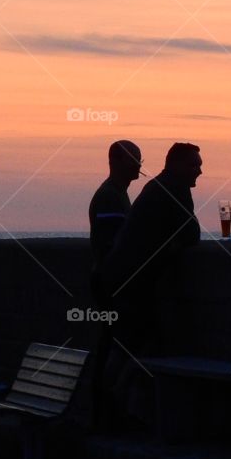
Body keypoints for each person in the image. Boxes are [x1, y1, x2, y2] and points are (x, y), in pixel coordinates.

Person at [94, 142, 202, 426]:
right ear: (177, 166)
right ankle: (108, 406)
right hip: (132, 283)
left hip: (124, 280)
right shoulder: (173, 189)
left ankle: (117, 408)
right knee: (128, 346)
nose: (200, 171)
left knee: (130, 345)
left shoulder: (155, 187)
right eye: (194, 165)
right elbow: (192, 232)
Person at [87, 140, 142, 427]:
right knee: (116, 346)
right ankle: (107, 412)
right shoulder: (110, 197)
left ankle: (106, 412)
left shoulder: (117, 195)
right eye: (133, 158)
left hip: (110, 282)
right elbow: (113, 245)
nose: (139, 164)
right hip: (112, 285)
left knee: (113, 344)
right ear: (115, 160)